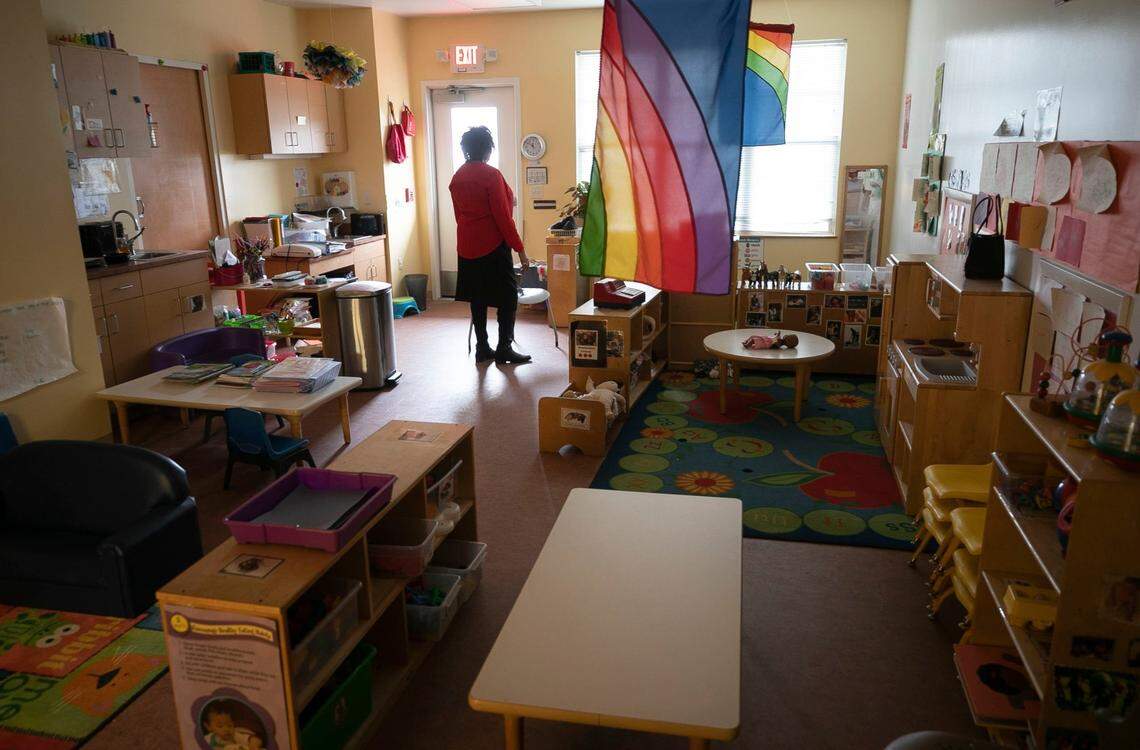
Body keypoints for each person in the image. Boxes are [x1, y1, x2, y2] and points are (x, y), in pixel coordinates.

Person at [450, 126, 531, 364]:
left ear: (466, 149)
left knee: (478, 298)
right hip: (492, 245)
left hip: (466, 245)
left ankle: (482, 347)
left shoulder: (457, 177)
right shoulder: (491, 175)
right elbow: (503, 218)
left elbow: (458, 216)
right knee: (508, 297)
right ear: (487, 149)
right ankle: (504, 348)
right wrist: (521, 251)